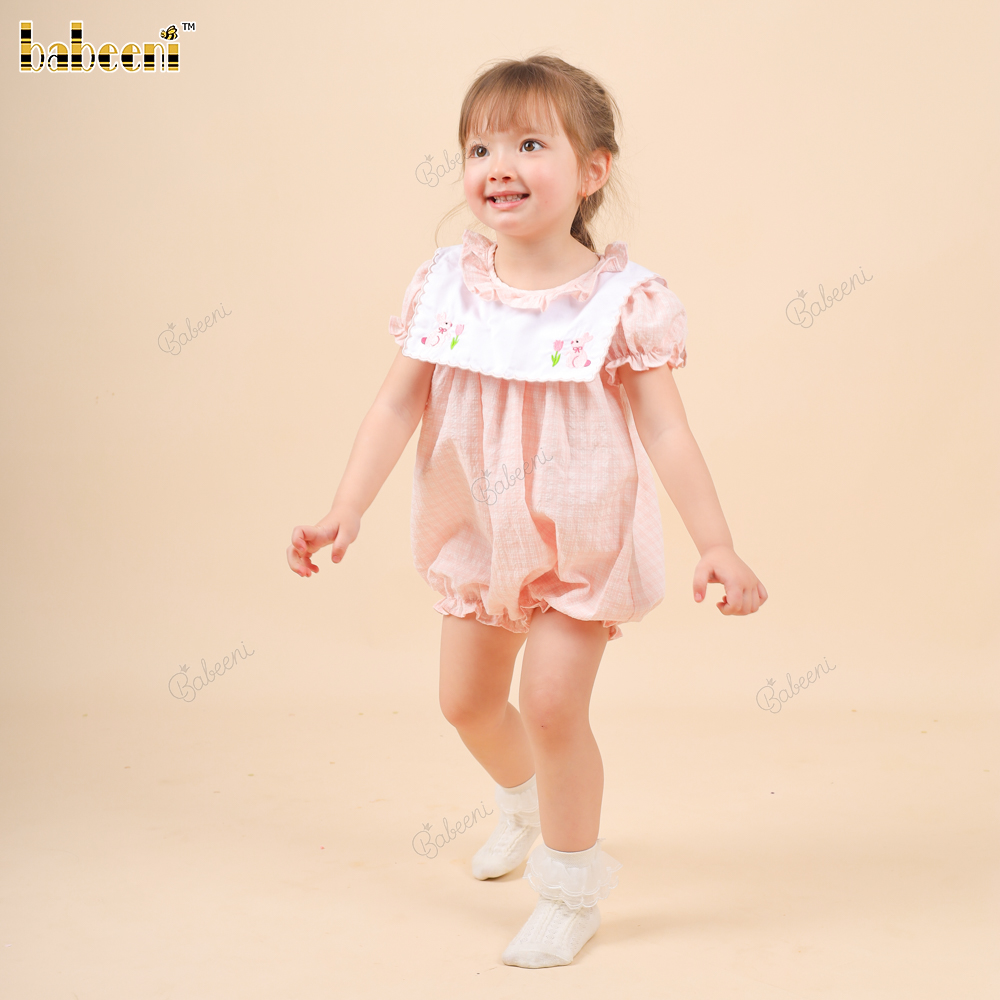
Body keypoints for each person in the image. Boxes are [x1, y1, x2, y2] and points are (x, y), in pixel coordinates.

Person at [287, 53, 767, 969]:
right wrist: (346, 507)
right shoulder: (446, 286)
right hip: (479, 536)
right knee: (466, 704)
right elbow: (396, 403)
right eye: (480, 148)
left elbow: (667, 431)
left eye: (529, 145)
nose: (498, 166)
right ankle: (523, 804)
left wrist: (717, 543)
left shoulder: (622, 303)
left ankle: (570, 888)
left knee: (550, 707)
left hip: (580, 542)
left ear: (593, 170)